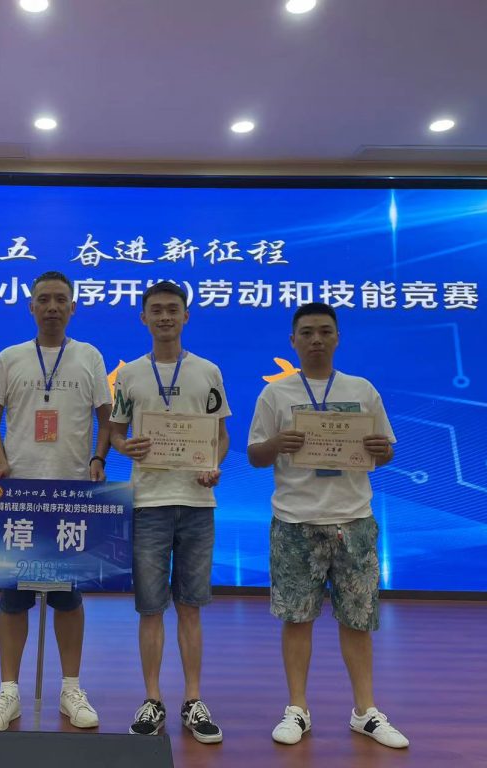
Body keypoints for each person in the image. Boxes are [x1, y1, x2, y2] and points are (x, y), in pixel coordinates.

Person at [247, 302, 409, 749]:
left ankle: (365, 711)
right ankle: (297, 708)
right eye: (307, 333)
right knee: (297, 618)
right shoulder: (275, 394)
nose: (316, 339)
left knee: (358, 621)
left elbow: (386, 451)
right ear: (293, 341)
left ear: (337, 337)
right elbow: (255, 455)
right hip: (295, 522)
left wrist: (381, 450)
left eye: (324, 331)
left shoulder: (362, 389)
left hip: (354, 520)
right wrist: (277, 443)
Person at [0, 270, 111, 732]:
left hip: (71, 493)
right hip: (21, 495)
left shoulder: (89, 356)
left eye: (60, 300)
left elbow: (107, 419)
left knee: (67, 598)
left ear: (73, 307)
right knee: (13, 598)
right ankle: (8, 692)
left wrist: (98, 458)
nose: (52, 307)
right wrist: (1, 462)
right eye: (44, 299)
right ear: (31, 306)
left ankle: (71, 688)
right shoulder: (10, 358)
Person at [108, 281, 229, 745]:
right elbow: (116, 432)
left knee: (191, 607)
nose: (164, 317)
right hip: (148, 503)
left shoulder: (208, 371)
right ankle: (153, 699)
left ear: (186, 316)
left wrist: (214, 463)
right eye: (156, 310)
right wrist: (125, 447)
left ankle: (193, 699)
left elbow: (221, 436)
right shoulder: (131, 375)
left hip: (197, 504)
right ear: (143, 318)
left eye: (172, 310)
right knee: (151, 608)